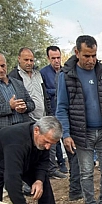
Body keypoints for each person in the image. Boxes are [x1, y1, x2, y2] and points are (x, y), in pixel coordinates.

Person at [55, 35, 102, 204]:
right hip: (81, 133)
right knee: (86, 172)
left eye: (94, 55)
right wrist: (66, 134)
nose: (91, 60)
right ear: (77, 52)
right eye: (86, 56)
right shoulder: (67, 76)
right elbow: (61, 107)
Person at [9, 47, 65, 180]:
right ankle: (35, 176)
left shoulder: (38, 74)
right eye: (26, 60)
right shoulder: (14, 76)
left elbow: (44, 95)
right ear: (19, 59)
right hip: (28, 119)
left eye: (31, 60)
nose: (29, 63)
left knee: (49, 144)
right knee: (33, 149)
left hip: (44, 116)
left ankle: (51, 169)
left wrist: (50, 113)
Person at [0, 52, 35, 137]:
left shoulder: (18, 83)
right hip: (2, 133)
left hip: (23, 130)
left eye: (3, 66)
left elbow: (31, 104)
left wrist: (24, 107)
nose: (1, 69)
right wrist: (9, 106)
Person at [40, 46, 68, 176]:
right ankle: (58, 164)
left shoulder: (65, 72)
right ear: (48, 58)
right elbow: (44, 93)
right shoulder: (43, 73)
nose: (56, 61)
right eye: (53, 58)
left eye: (58, 57)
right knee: (53, 140)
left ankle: (67, 164)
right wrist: (56, 92)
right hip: (51, 112)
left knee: (66, 137)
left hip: (64, 112)